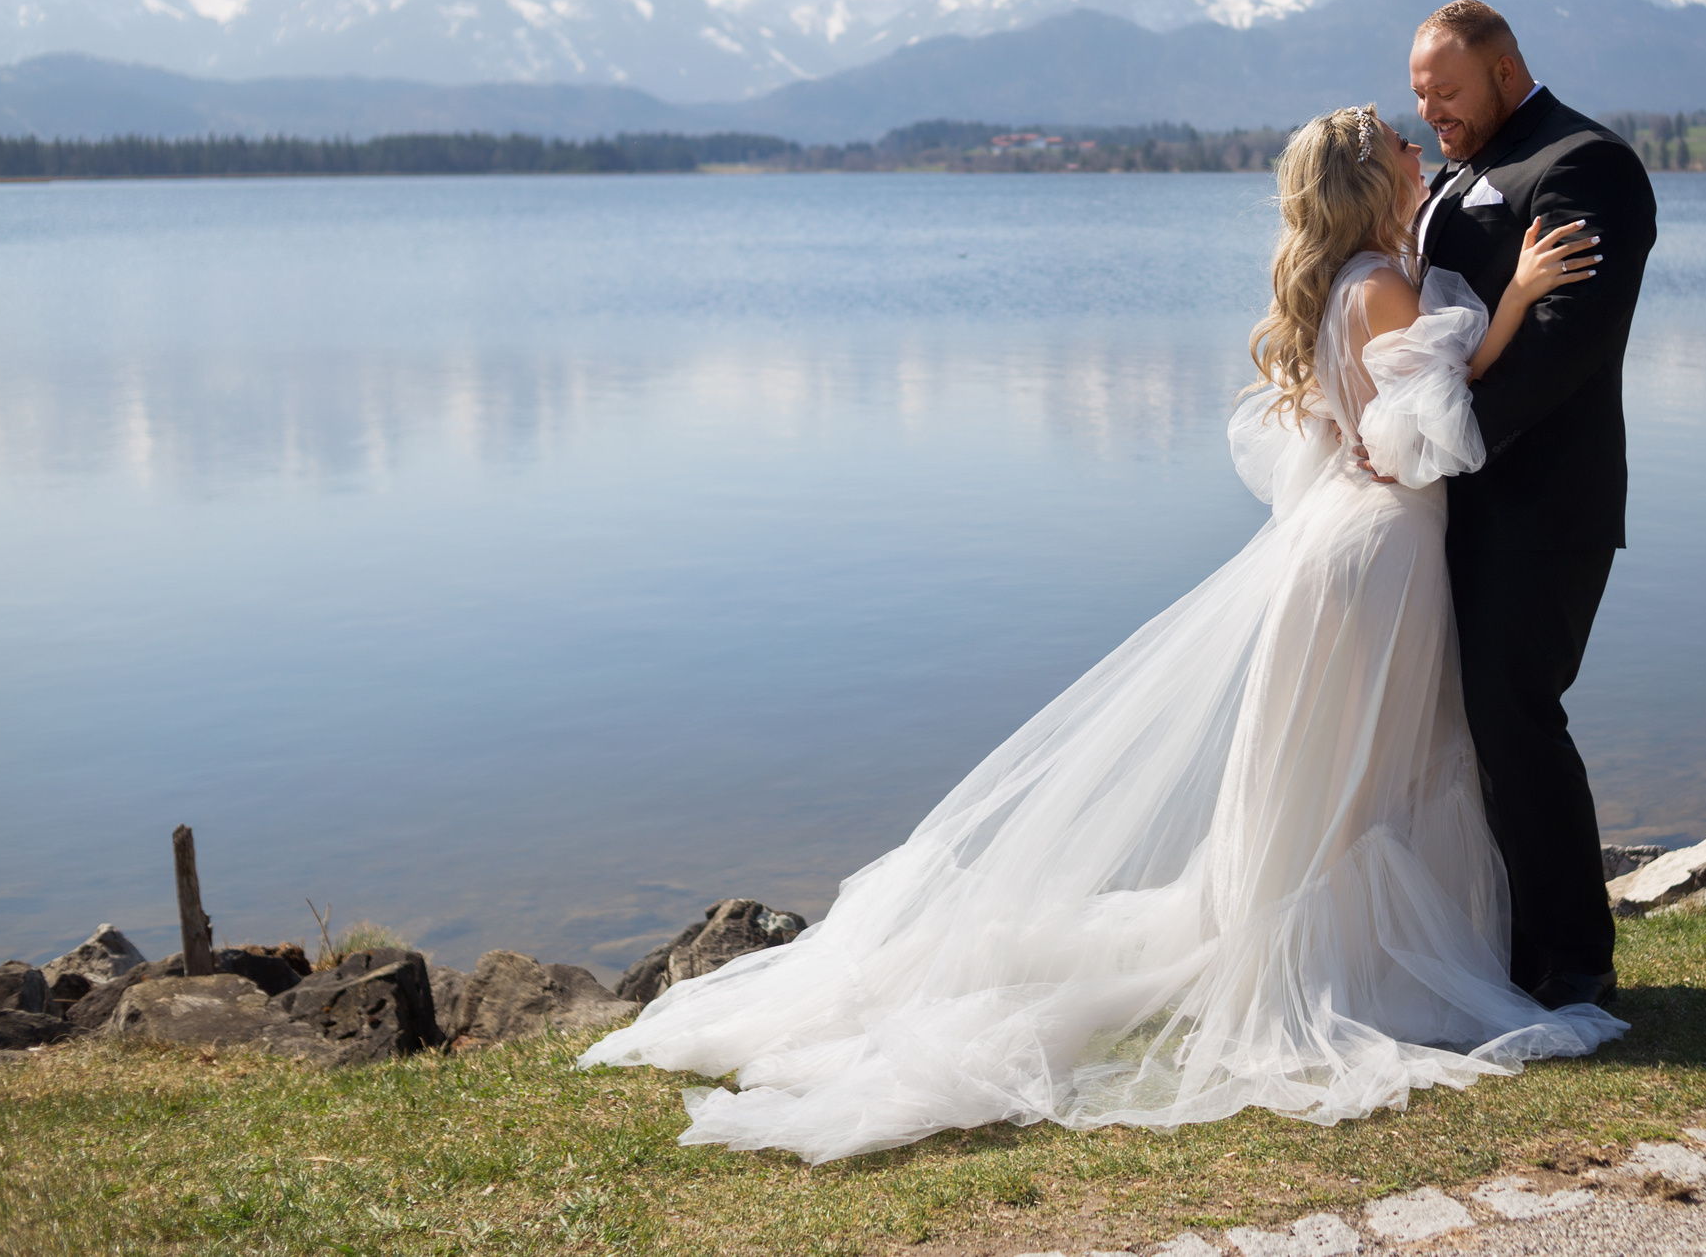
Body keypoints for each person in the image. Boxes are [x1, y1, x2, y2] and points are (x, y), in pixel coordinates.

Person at [580, 104, 1624, 1162]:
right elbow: (1414, 444)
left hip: (1344, 549)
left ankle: (1310, 936)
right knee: (1365, 770)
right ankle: (1343, 963)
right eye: (1404, 145)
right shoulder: (1381, 285)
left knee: (1343, 770)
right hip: (1379, 552)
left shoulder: (1345, 282)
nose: (1421, 151)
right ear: (1372, 179)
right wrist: (1518, 306)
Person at [1405, 0, 1658, 1010]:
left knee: (1517, 718)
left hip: (1540, 502)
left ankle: (1574, 963)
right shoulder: (1458, 169)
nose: (1432, 113)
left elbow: (1564, 344)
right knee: (1466, 722)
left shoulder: (1583, 165)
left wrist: (1441, 445)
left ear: (1505, 68)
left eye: (1448, 91)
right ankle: (1497, 944)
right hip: (1455, 498)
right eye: (1420, 96)